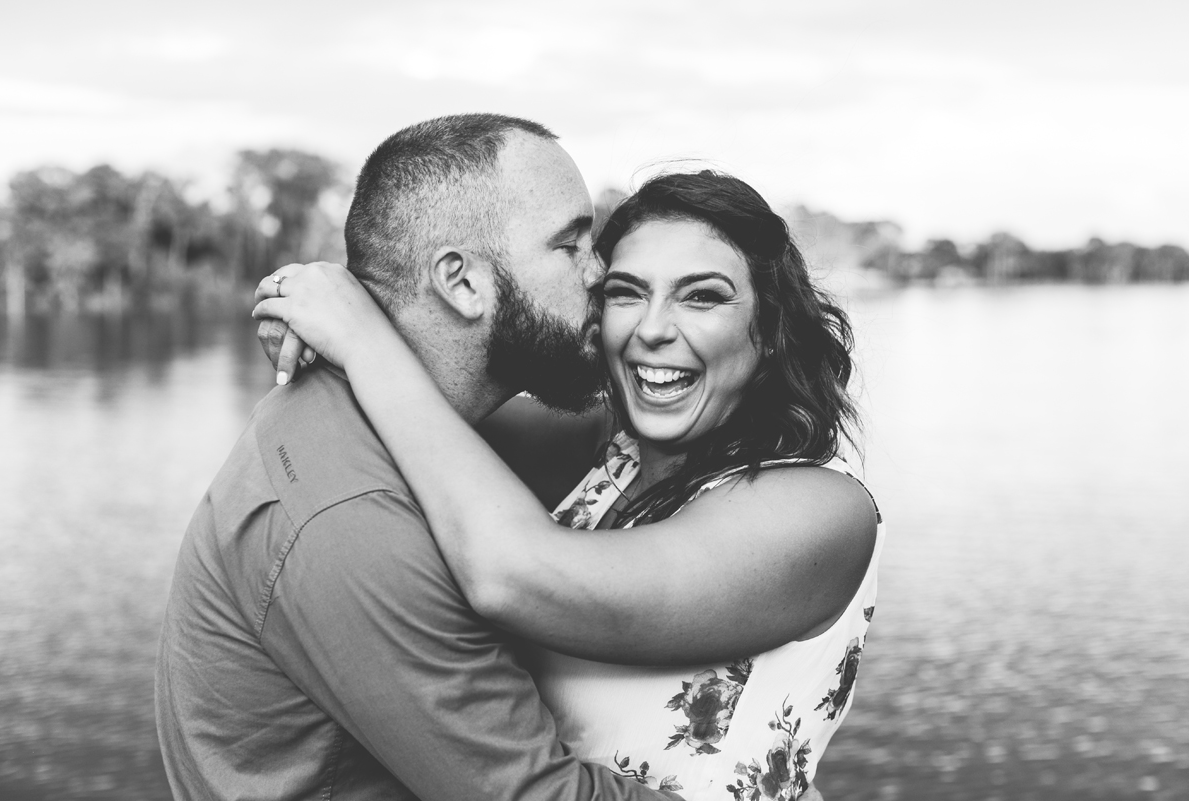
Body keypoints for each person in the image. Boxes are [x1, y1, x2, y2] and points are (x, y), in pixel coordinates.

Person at [253, 170, 883, 800]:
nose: (653, 328)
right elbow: (432, 401)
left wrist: (362, 343)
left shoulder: (820, 509)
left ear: (769, 331)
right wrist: (315, 307)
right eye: (626, 292)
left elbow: (514, 575)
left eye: (701, 297)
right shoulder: (610, 448)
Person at [155, 113, 692, 801]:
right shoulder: (355, 521)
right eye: (571, 244)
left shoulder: (373, 422)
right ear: (461, 283)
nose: (601, 273)